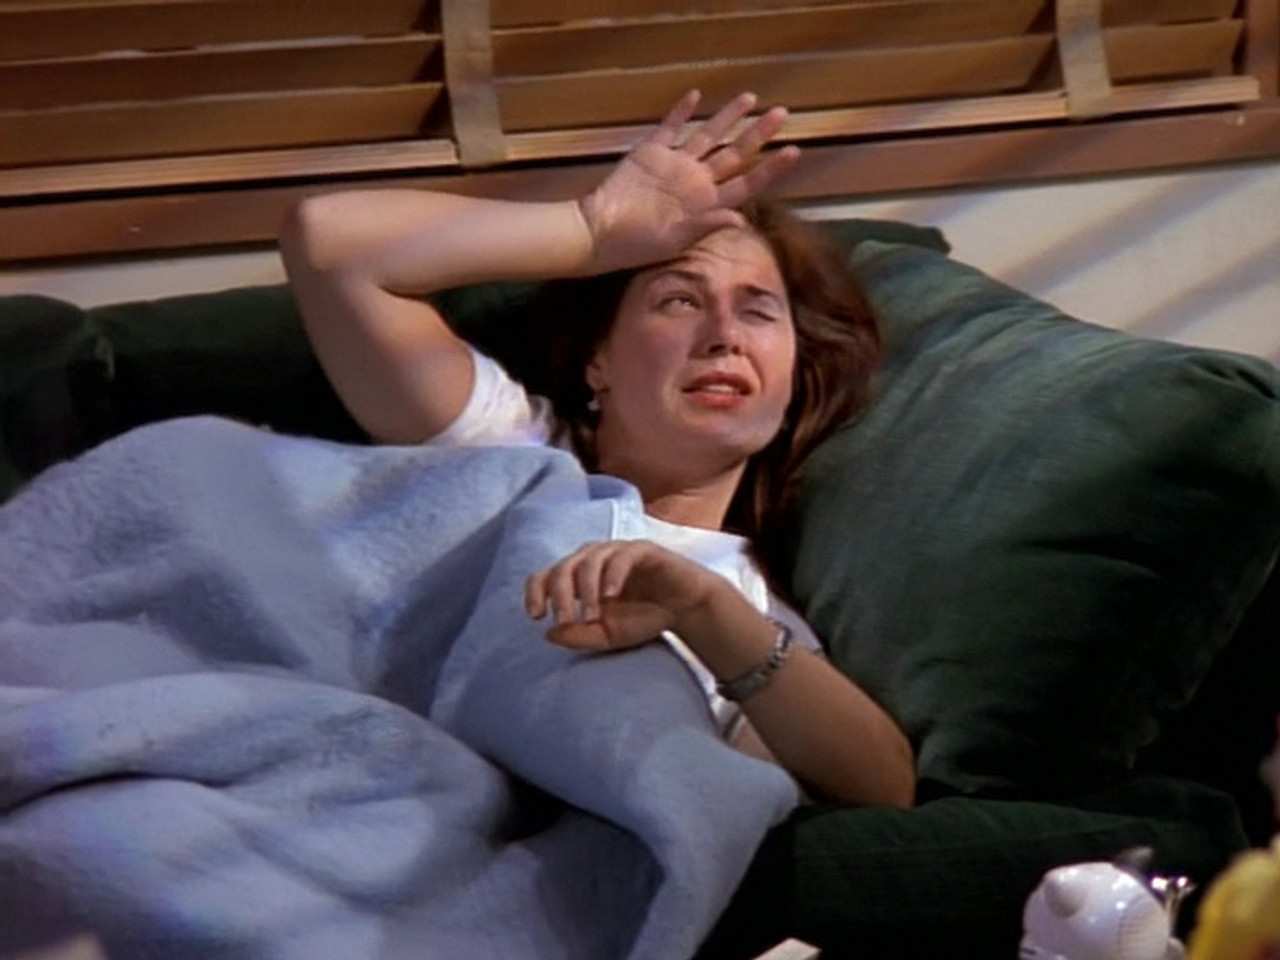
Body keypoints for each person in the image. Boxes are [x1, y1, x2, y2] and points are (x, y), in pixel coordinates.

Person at [279, 90, 915, 808]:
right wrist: (590, 229)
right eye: (680, 300)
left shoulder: (740, 606)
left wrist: (701, 609)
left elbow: (883, 789)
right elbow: (326, 240)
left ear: (792, 381)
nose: (725, 336)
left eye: (758, 310)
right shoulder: (510, 449)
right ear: (597, 361)